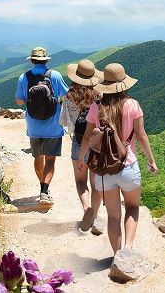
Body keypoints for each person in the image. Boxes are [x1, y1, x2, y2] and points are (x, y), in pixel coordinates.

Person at [87, 63, 158, 254]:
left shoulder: (96, 107)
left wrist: (81, 161)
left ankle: (117, 256)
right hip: (128, 165)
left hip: (104, 168)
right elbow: (141, 135)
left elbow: (88, 136)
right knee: (133, 208)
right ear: (124, 84)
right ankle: (128, 249)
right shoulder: (132, 105)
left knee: (112, 216)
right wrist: (151, 160)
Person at [15, 46, 68, 205]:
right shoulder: (55, 75)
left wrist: (28, 100)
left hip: (33, 126)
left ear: (31, 61)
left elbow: (19, 101)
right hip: (53, 126)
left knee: (38, 157)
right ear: (46, 61)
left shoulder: (24, 77)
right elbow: (66, 96)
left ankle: (42, 186)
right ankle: (45, 191)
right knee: (50, 160)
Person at [59, 59, 103, 235]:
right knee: (95, 183)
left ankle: (86, 209)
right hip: (97, 143)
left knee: (80, 181)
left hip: (79, 142)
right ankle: (96, 215)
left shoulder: (69, 95)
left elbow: (65, 123)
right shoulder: (100, 95)